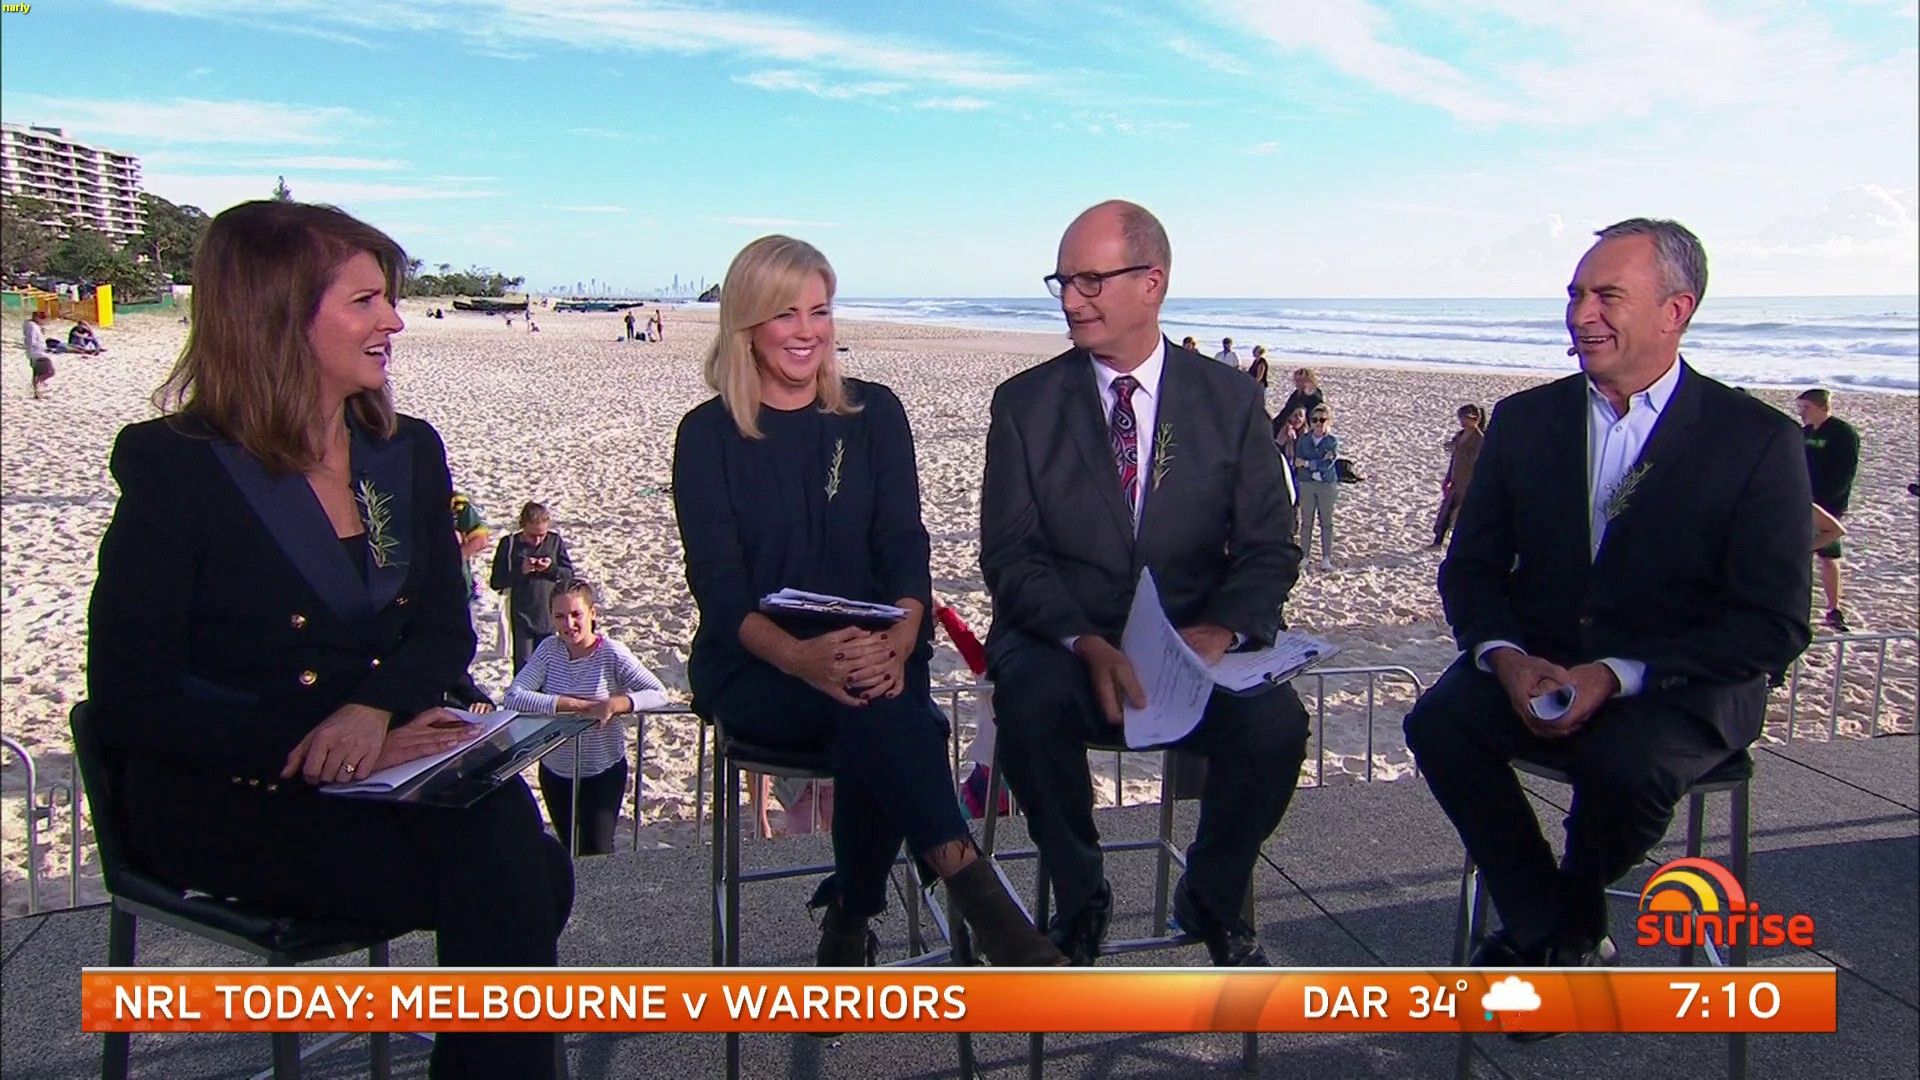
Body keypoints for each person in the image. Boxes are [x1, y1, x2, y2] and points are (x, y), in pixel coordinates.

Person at [85, 200, 572, 1078]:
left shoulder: (405, 450)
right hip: (235, 788)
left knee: (510, 850)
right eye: (365, 301)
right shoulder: (180, 468)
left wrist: (376, 714)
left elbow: (444, 630)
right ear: (279, 313)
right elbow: (131, 695)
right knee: (518, 874)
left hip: (388, 770)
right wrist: (333, 741)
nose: (394, 322)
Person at [1404, 218, 1811, 981]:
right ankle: (1557, 926)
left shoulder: (1757, 441)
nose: (1581, 314)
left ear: (1675, 311)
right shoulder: (1525, 421)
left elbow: (1774, 623)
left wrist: (1617, 675)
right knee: (1439, 723)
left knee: (1625, 769)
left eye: (1607, 296)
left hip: (1684, 684)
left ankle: (1553, 930)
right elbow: (1472, 569)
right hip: (1543, 663)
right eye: (1575, 294)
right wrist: (1506, 657)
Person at [672, 234, 1063, 967]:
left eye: (819, 311)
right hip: (759, 665)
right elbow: (719, 589)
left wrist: (906, 633)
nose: (807, 331)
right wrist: (802, 657)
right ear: (746, 324)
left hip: (881, 650)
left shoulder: (875, 413)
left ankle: (854, 914)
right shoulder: (706, 435)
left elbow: (904, 544)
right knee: (891, 720)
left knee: (878, 701)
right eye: (785, 313)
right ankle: (958, 895)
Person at [981, 200, 1308, 968]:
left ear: (1152, 282)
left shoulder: (1230, 401)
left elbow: (1269, 547)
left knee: (1277, 726)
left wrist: (1219, 632)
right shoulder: (1024, 405)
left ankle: (1212, 895)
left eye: (1090, 281)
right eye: (1063, 281)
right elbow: (1012, 555)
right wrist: (1084, 641)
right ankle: (1080, 891)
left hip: (1193, 647)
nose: (1071, 299)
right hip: (1065, 644)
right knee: (1025, 703)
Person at [503, 579, 668, 855]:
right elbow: (513, 696)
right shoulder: (549, 649)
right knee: (569, 848)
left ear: (593, 613)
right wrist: (572, 705)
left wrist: (616, 704)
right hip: (557, 769)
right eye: (560, 616)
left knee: (597, 851)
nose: (569, 624)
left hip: (601, 770)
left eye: (576, 614)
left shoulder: (612, 653)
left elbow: (659, 693)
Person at [1796, 388, 1860, 633]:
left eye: (1806, 408)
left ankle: (1834, 608)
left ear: (1822, 407)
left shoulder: (1842, 433)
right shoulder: (1805, 433)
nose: (1802, 413)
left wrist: (1826, 502)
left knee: (1828, 556)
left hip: (1828, 505)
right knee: (1800, 556)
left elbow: (1845, 473)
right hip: (1802, 503)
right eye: (1800, 408)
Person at [490, 501, 574, 671]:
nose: (537, 541)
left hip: (549, 616)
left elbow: (569, 575)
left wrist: (550, 568)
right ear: (522, 527)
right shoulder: (509, 544)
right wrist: (520, 570)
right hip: (521, 616)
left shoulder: (554, 541)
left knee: (549, 669)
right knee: (524, 669)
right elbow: (496, 582)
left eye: (541, 535)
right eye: (531, 536)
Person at [1432, 404, 1486, 548]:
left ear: (1475, 419)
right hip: (1456, 478)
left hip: (1468, 481)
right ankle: (1439, 540)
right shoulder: (1460, 435)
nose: (1462, 421)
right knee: (1446, 511)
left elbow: (1474, 461)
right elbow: (1453, 458)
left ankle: (1455, 542)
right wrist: (1448, 477)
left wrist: (1458, 450)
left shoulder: (1479, 439)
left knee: (1461, 514)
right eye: (1461, 418)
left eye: (1465, 418)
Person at [1295, 405, 1340, 569]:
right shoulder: (1304, 440)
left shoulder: (1331, 441)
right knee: (1307, 521)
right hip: (1307, 483)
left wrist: (1308, 464)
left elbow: (1328, 464)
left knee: (1326, 522)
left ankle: (1326, 558)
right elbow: (1297, 461)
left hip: (1326, 484)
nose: (1318, 423)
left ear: (1328, 421)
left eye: (1322, 420)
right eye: (1315, 420)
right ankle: (1305, 555)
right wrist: (1314, 463)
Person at [23, 309, 54, 398]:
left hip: (34, 353)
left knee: (37, 372)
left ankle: (37, 392)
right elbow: (31, 340)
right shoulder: (32, 326)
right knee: (50, 371)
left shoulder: (32, 325)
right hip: (38, 353)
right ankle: (37, 384)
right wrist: (35, 349)